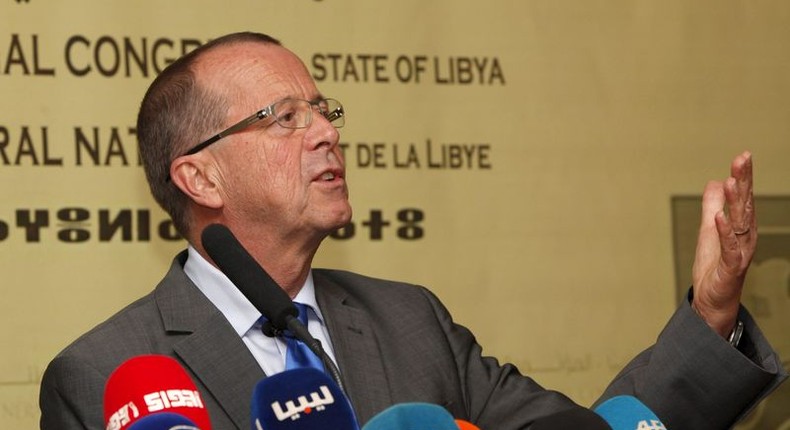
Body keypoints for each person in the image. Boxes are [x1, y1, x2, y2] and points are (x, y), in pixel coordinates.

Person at [39, 31, 786, 429]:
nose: (326, 135)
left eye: (324, 111)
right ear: (199, 177)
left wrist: (711, 310)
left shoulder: (408, 320)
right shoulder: (105, 375)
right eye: (283, 119)